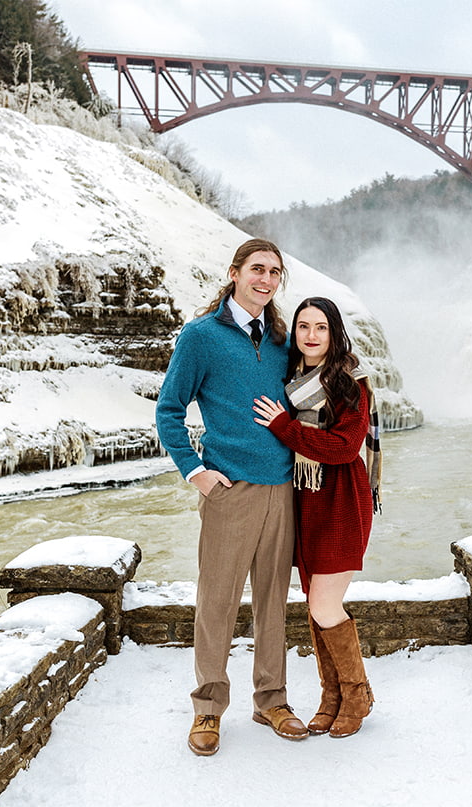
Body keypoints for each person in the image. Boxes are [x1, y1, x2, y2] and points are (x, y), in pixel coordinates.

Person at [155, 238, 308, 757]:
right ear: (235, 273)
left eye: (274, 273)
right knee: (216, 603)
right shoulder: (200, 337)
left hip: (282, 490)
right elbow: (168, 411)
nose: (266, 280)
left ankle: (271, 700)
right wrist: (196, 472)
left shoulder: (284, 339)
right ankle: (207, 708)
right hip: (230, 490)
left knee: (273, 603)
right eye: (257, 270)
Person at [252, 296, 381, 738]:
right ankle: (332, 696)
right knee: (314, 603)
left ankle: (357, 693)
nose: (311, 335)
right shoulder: (291, 381)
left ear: (334, 333)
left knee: (325, 604)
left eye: (321, 327)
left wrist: (285, 428)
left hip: (342, 502)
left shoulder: (349, 383)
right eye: (303, 326)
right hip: (305, 501)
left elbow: (344, 447)